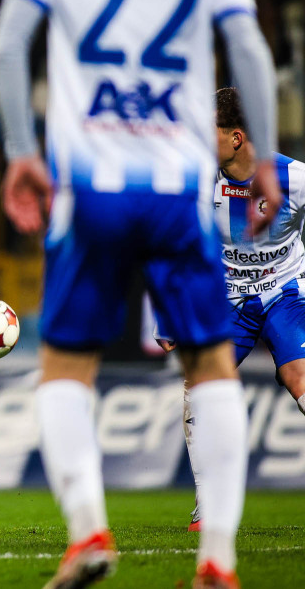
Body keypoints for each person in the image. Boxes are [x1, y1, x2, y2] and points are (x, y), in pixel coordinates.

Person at [0, 0, 281, 588]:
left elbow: (6, 48)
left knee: (65, 365)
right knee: (211, 366)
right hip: (179, 190)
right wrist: (264, 153)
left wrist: (22, 151)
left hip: (90, 186)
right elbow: (250, 51)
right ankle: (218, 560)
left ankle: (88, 532)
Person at [156, 87, 305, 532]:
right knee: (197, 382)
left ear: (236, 137)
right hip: (229, 298)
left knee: (298, 375)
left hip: (285, 291)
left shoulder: (293, 177)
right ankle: (208, 504)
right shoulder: (198, 180)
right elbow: (177, 246)